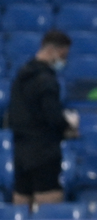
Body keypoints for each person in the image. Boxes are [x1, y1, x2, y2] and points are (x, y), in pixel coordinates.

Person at [8, 30, 77, 208]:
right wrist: (68, 127)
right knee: (49, 209)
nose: (64, 60)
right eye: (63, 55)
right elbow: (53, 117)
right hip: (44, 154)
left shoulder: (20, 76)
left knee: (21, 207)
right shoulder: (46, 80)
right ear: (54, 50)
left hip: (21, 153)